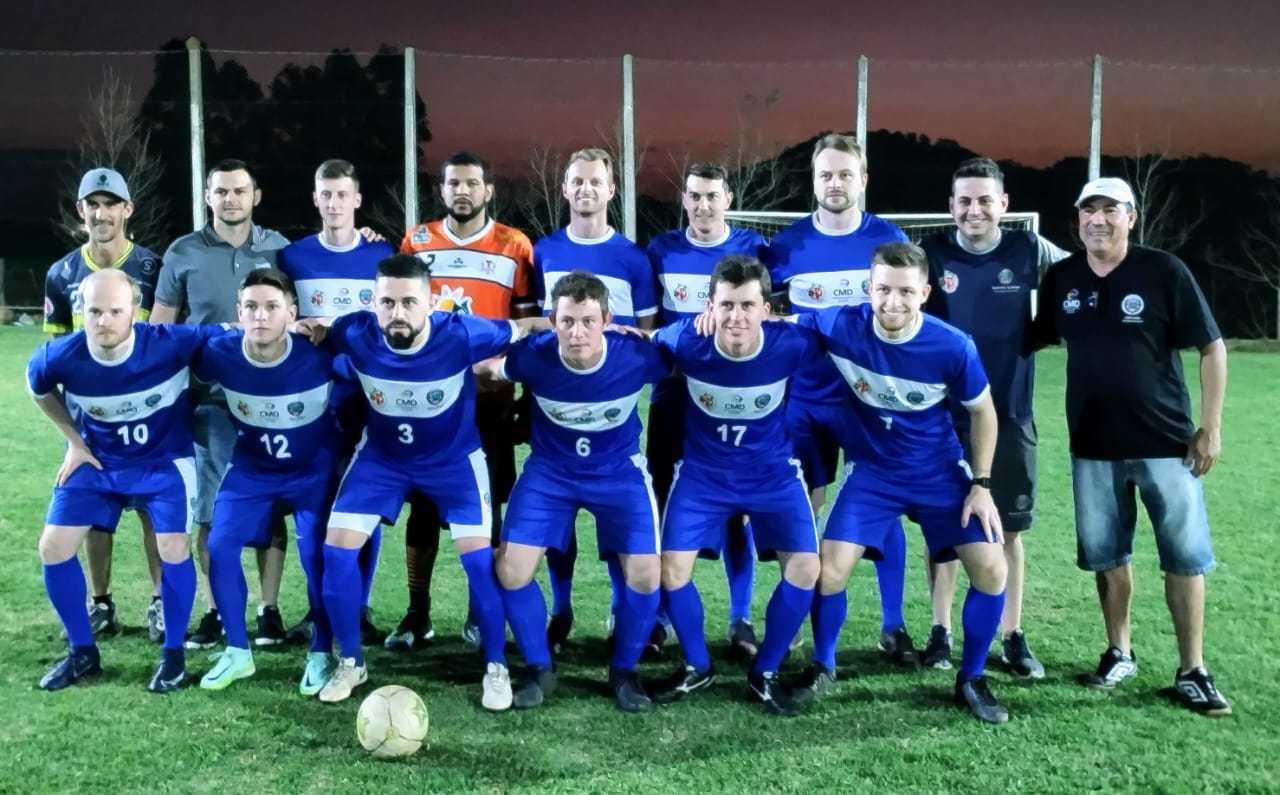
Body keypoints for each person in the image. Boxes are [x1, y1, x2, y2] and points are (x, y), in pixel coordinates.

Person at [299, 254, 543, 709]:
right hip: (382, 460)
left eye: (409, 302)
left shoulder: (462, 333)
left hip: (453, 462)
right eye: (387, 302)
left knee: (479, 563)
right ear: (373, 303)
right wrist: (306, 326)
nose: (398, 313)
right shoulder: (354, 331)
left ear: (431, 304)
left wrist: (589, 329)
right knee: (336, 551)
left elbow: (523, 328)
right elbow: (319, 331)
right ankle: (351, 661)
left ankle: (495, 666)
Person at [1031, 177, 1230, 716]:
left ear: (1131, 217)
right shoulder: (1063, 277)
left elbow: (1212, 347)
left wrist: (1210, 426)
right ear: (1078, 219)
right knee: (1108, 556)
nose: (1098, 219)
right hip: (1092, 445)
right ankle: (1119, 651)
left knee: (1184, 558)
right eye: (1088, 210)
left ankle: (1192, 669)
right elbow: (1030, 338)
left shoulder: (1163, 270)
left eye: (1110, 210)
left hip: (1167, 444)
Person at [796, 242, 1011, 724]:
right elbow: (777, 325)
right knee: (828, 571)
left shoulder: (952, 345)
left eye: (906, 292)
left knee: (992, 568)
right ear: (868, 289)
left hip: (939, 472)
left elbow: (984, 413)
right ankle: (822, 666)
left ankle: (972, 678)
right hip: (873, 472)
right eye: (883, 290)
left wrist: (981, 484)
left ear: (925, 294)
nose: (893, 302)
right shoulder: (839, 325)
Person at [476, 271, 668, 712]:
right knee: (511, 569)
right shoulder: (534, 355)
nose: (577, 333)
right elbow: (489, 370)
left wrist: (654, 334)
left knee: (646, 575)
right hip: (551, 473)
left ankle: (625, 671)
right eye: (566, 321)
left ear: (608, 321)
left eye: (587, 321)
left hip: (618, 473)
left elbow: (683, 361)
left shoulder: (635, 355)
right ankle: (539, 668)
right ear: (552, 321)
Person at [765, 135, 916, 665]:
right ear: (814, 181)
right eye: (826, 174)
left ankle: (893, 625)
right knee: (802, 508)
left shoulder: (888, 239)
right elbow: (772, 321)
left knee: (882, 506)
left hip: (869, 402)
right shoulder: (785, 247)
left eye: (845, 174)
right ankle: (797, 617)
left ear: (863, 180)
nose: (835, 183)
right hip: (804, 399)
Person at [650, 255, 821, 717]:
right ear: (710, 306)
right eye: (726, 305)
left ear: (767, 309)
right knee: (670, 569)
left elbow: (839, 327)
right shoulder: (686, 339)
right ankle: (697, 666)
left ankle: (764, 672)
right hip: (703, 475)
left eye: (747, 305)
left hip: (772, 475)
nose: (736, 316)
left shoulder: (791, 343)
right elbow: (645, 341)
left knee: (806, 568)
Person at [917, 157, 1068, 677]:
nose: (974, 209)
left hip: (1011, 417)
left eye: (985, 200)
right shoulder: (931, 254)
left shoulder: (1030, 249)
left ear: (1005, 204)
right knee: (944, 534)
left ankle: (1013, 634)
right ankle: (940, 632)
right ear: (950, 206)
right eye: (964, 200)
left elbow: (1084, 272)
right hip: (944, 422)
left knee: (1009, 532)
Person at [28, 269, 211, 692]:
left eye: (115, 311)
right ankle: (82, 653)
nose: (104, 321)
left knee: (173, 547)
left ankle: (174, 657)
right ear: (81, 311)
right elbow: (37, 388)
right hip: (99, 462)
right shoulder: (59, 356)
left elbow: (229, 335)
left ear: (135, 311)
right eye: (94, 311)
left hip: (164, 463)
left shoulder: (169, 342)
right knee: (53, 548)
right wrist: (74, 441)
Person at [394, 151, 537, 652]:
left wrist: (523, 392)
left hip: (490, 401)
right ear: (442, 190)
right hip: (429, 401)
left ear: (488, 190)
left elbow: (526, 328)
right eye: (453, 183)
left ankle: (480, 611)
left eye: (472, 183)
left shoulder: (515, 245)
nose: (462, 191)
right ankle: (418, 613)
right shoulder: (417, 241)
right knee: (423, 508)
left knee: (486, 509)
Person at [151, 159, 292, 649]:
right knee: (210, 508)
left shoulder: (279, 249)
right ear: (208, 197)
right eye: (221, 191)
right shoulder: (183, 251)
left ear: (256, 196)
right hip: (209, 402)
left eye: (239, 190)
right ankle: (214, 610)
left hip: (271, 401)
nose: (230, 199)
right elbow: (161, 328)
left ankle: (268, 609)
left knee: (271, 505)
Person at [531, 148, 659, 651]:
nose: (586, 189)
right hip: (555, 406)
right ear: (565, 189)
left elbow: (645, 336)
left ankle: (618, 608)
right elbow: (535, 327)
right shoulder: (543, 252)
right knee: (557, 518)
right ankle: (560, 610)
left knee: (615, 517)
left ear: (611, 190)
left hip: (612, 412)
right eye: (577, 181)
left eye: (595, 181)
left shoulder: (633, 258)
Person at [192, 269, 339, 694]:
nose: (261, 316)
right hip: (252, 469)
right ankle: (238, 652)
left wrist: (328, 325)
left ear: (292, 314)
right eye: (251, 307)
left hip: (312, 472)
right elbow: (175, 348)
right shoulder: (219, 352)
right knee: (220, 545)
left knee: (316, 554)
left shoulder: (320, 353)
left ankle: (321, 651)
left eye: (272, 307)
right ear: (238, 313)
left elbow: (365, 342)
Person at [646, 163, 769, 657]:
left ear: (728, 199)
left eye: (712, 196)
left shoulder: (754, 247)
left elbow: (768, 312)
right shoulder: (661, 250)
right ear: (684, 199)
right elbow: (652, 329)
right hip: (674, 395)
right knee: (665, 504)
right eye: (694, 196)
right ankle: (661, 616)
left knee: (738, 508)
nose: (702, 205)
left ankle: (741, 618)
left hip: (734, 395)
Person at [42, 167, 165, 643]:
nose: (101, 213)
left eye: (110, 203)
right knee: (95, 512)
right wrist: (71, 435)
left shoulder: (153, 268)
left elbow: (163, 345)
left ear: (127, 209)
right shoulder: (61, 275)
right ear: (81, 210)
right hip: (89, 423)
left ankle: (159, 602)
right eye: (92, 204)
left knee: (154, 511)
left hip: (146, 418)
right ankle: (102, 603)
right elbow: (51, 360)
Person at [279, 158, 395, 644]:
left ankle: (359, 607)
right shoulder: (293, 257)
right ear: (315, 199)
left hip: (367, 401)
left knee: (361, 503)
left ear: (357, 199)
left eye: (342, 194)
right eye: (325, 194)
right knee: (315, 505)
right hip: (311, 404)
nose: (333, 203)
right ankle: (318, 609)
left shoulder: (381, 255)